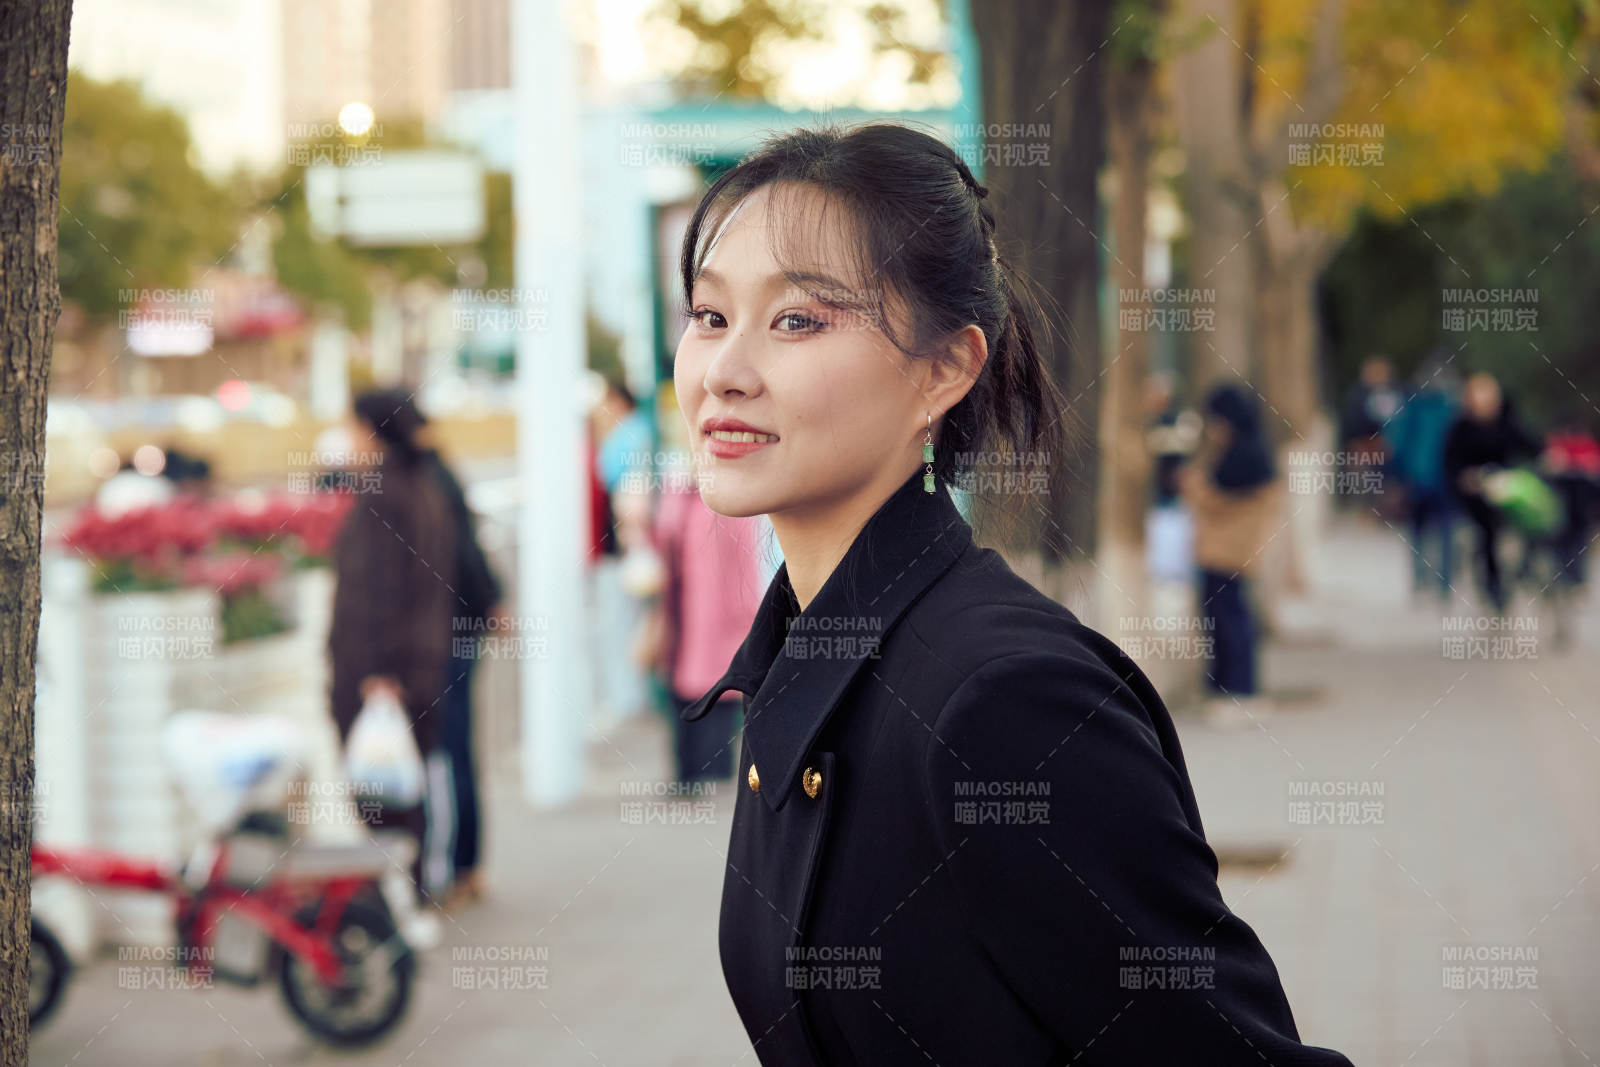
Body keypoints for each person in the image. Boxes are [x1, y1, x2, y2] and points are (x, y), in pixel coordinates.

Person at [673, 121, 1353, 1065]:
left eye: (797, 319)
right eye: (709, 317)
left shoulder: (1005, 702)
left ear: (946, 367)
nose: (725, 372)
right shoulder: (802, 663)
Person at [327, 387, 458, 943]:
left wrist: (377, 674)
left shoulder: (383, 495)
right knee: (407, 788)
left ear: (372, 430)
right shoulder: (424, 487)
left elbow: (378, 591)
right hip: (421, 667)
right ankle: (411, 902)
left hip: (383, 674)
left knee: (383, 796)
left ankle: (397, 909)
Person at [417, 426, 504, 909]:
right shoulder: (439, 475)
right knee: (458, 751)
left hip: (443, 638)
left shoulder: (423, 481)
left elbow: (464, 550)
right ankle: (467, 868)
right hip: (460, 632)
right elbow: (471, 547)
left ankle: (451, 870)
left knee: (445, 755)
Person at [647, 471, 765, 784]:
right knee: (681, 693)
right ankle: (686, 777)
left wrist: (745, 617)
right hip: (679, 615)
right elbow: (660, 543)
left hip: (716, 620)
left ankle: (712, 779)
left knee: (714, 696)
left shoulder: (730, 501)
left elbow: (744, 564)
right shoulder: (676, 494)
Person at [1179, 382, 1281, 725]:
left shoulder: (1246, 455)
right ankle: (1224, 690)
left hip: (1228, 553)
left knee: (1229, 623)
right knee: (1221, 621)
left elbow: (1217, 501)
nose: (1213, 429)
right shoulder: (1247, 450)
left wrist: (1192, 485)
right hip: (1225, 552)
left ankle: (1238, 691)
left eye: (1216, 421)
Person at [1442, 373, 1542, 615]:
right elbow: (1449, 464)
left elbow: (1534, 447)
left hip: (1510, 495)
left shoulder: (1508, 423)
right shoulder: (1460, 429)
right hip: (1477, 500)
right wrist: (1466, 479)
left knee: (1532, 530)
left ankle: (1528, 575)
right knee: (1485, 540)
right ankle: (1493, 592)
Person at [1384, 351, 1461, 602]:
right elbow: (1400, 442)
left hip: (1429, 478)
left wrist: (1397, 473)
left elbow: (1399, 442)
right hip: (1429, 479)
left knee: (1428, 532)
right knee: (1438, 532)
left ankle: (1430, 581)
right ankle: (1435, 582)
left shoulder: (1420, 407)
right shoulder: (1445, 407)